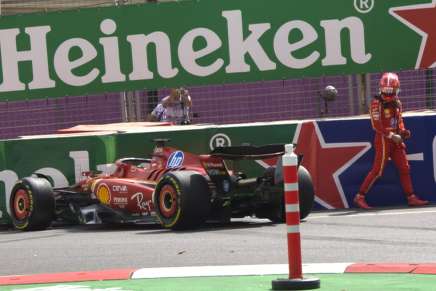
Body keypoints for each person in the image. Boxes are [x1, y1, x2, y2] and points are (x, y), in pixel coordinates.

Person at [354, 72, 429, 209]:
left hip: (395, 140)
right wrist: (392, 135)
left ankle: (411, 197)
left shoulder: (398, 103)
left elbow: (399, 121)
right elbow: (376, 126)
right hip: (383, 139)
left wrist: (402, 131)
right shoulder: (376, 104)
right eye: (387, 90)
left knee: (405, 167)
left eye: (391, 90)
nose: (389, 93)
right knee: (377, 170)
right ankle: (360, 196)